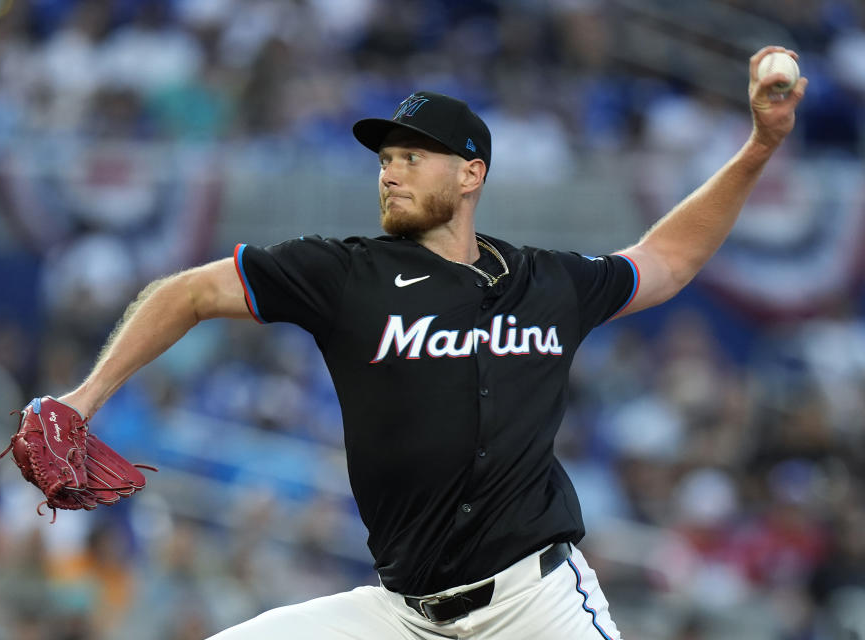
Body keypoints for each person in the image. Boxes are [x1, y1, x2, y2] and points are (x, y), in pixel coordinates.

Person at [54, 46, 806, 639]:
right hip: (400, 614)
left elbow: (666, 262)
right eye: (385, 159)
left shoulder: (547, 282)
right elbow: (186, 291)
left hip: (532, 604)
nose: (391, 173)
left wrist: (758, 148)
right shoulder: (344, 273)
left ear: (471, 172)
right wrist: (84, 398)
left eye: (413, 157)